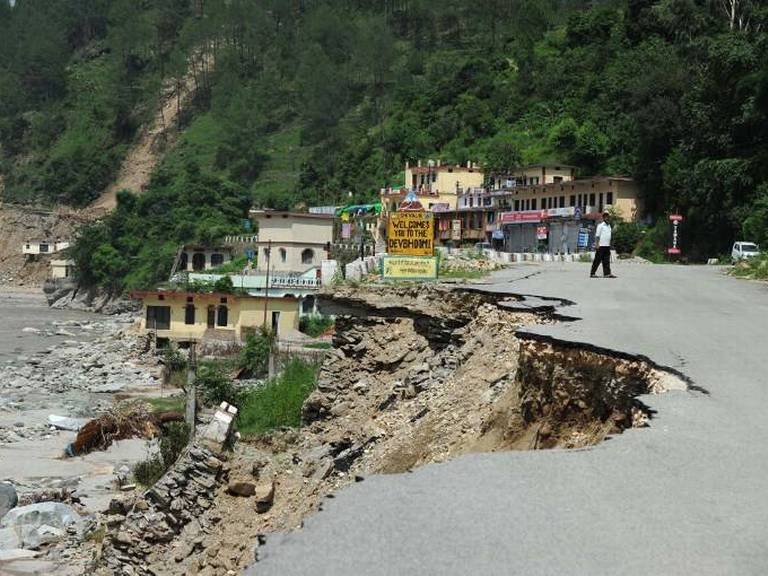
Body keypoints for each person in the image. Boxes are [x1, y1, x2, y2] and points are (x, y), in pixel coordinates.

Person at [591, 211, 616, 278]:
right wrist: (597, 244)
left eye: (608, 216)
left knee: (606, 260)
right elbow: (597, 236)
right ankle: (592, 273)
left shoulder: (609, 226)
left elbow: (608, 235)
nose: (607, 218)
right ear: (603, 217)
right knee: (597, 260)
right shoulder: (600, 225)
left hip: (607, 246)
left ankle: (607, 273)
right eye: (605, 216)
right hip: (601, 245)